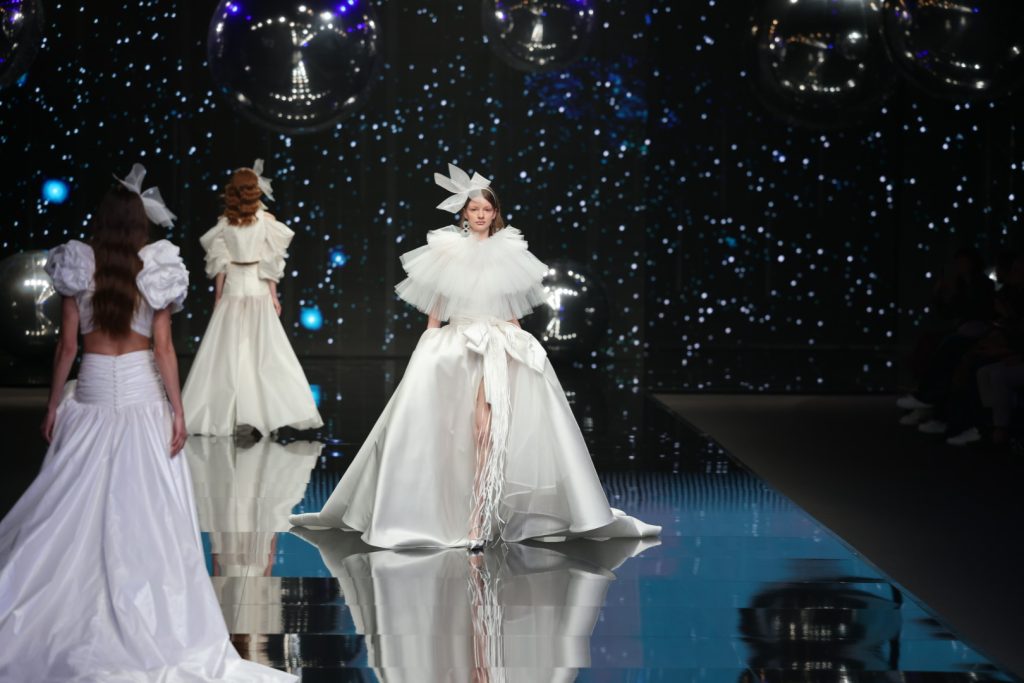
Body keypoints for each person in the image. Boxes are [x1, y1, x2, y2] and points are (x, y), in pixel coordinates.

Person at [0, 165, 294, 681]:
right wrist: (177, 411)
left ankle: (64, 603)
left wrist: (52, 405)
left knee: (68, 506)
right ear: (140, 223)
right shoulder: (156, 266)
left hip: (88, 397)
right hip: (139, 399)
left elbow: (67, 347)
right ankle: (147, 612)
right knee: (148, 513)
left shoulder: (78, 265)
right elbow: (162, 350)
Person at [290, 164, 661, 549]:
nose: (481, 215)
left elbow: (511, 305)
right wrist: (428, 343)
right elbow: (436, 306)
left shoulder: (510, 250)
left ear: (494, 213)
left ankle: (479, 519)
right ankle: (459, 513)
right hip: (458, 344)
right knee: (456, 431)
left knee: (488, 430)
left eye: (487, 209)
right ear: (464, 214)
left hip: (497, 343)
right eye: (474, 209)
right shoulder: (447, 250)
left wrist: (522, 341)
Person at [182, 160, 322, 436]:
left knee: (230, 352)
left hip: (236, 288)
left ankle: (235, 412)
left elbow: (220, 263)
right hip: (255, 288)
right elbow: (270, 261)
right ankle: (259, 411)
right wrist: (274, 294)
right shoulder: (264, 223)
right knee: (263, 352)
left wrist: (219, 294)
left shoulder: (225, 224)